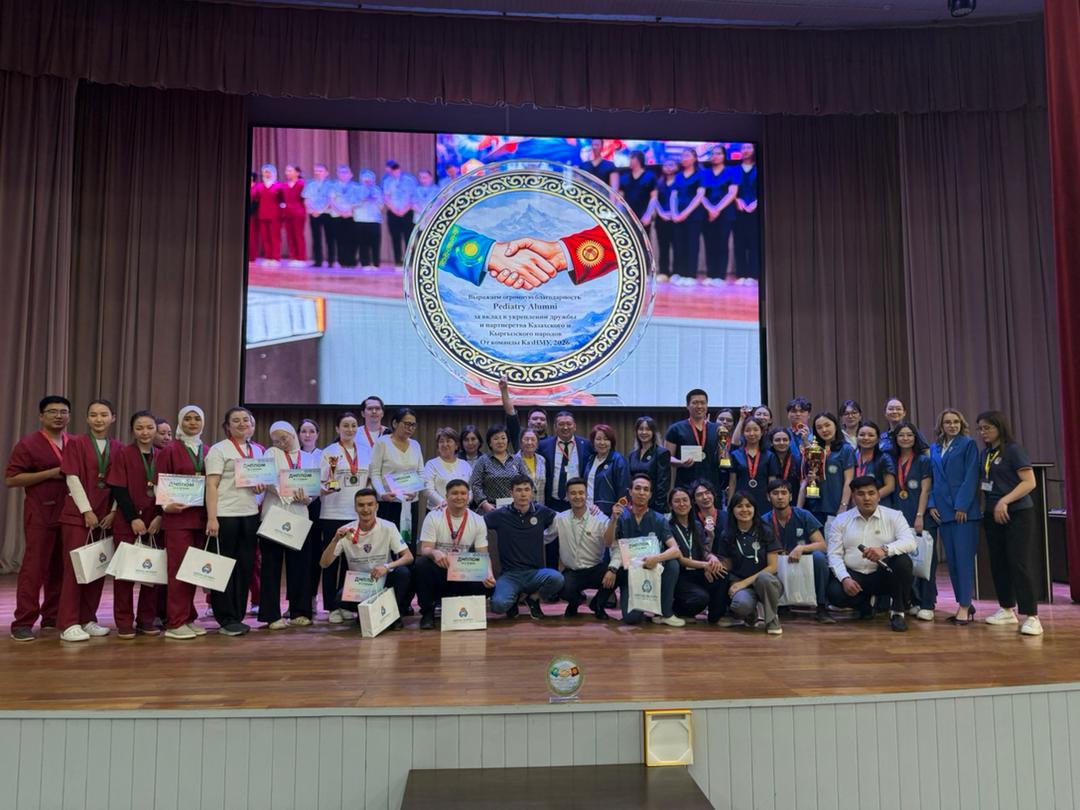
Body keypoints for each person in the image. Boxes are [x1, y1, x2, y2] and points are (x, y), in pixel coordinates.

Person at [5, 395, 71, 641]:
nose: (58, 416)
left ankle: (51, 617)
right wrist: (50, 473)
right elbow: (11, 479)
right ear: (41, 416)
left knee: (60, 568)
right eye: (52, 412)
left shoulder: (74, 443)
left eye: (63, 412)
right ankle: (22, 622)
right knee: (34, 570)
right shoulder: (28, 444)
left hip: (68, 514)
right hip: (41, 514)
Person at [57, 399, 121, 642]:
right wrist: (86, 511)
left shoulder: (118, 448)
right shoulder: (75, 443)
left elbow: (121, 484)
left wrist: (113, 511)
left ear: (113, 418)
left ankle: (87, 618)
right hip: (78, 516)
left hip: (105, 517)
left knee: (96, 567)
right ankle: (68, 623)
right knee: (75, 569)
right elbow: (72, 479)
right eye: (93, 414)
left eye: (104, 414)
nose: (98, 419)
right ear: (86, 418)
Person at [975, 411, 1041, 636]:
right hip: (992, 514)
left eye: (987, 428)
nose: (983, 432)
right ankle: (1006, 608)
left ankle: (1031, 616)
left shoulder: (1013, 450)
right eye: (980, 428)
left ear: (999, 427)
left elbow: (1029, 482)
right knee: (998, 562)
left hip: (1017, 513)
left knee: (1018, 562)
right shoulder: (986, 453)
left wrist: (1005, 501)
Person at [826, 475, 916, 632]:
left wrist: (884, 550)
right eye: (861, 494)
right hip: (855, 576)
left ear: (879, 495)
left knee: (903, 562)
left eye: (871, 493)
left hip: (883, 574)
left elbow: (910, 542)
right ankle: (864, 605)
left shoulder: (894, 516)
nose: (866, 498)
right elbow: (834, 555)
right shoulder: (840, 520)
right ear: (853, 497)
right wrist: (845, 578)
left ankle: (897, 612)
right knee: (834, 593)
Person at [204, 407, 265, 637]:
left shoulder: (257, 451)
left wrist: (259, 487)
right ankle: (225, 618)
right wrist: (212, 517)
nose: (242, 424)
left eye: (245, 420)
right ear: (227, 426)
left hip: (250, 515)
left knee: (245, 567)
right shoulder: (219, 450)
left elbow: (261, 483)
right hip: (225, 515)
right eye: (236, 420)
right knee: (223, 568)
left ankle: (237, 616)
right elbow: (211, 485)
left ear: (252, 424)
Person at [105, 410, 163, 638]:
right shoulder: (123, 453)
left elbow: (168, 489)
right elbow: (118, 488)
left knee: (151, 573)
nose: (145, 432)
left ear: (156, 429)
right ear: (132, 430)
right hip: (128, 522)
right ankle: (124, 621)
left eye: (149, 427)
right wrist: (132, 518)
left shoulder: (163, 455)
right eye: (139, 428)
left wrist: (160, 516)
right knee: (125, 574)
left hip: (155, 522)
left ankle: (146, 619)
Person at [319, 488, 413, 628]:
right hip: (361, 584)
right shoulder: (346, 531)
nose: (366, 509)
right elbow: (324, 563)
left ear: (377, 506)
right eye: (361, 505)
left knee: (403, 573)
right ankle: (365, 613)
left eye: (370, 504)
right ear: (355, 508)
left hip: (384, 580)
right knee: (340, 598)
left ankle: (393, 615)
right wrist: (334, 540)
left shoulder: (388, 527)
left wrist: (386, 567)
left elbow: (408, 557)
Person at [156, 404, 209, 640]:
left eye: (197, 418)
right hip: (177, 519)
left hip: (201, 519)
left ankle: (188, 617)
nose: (192, 423)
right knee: (177, 571)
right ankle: (175, 622)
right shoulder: (170, 450)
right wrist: (165, 506)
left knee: (193, 571)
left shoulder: (207, 450)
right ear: (180, 422)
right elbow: (159, 482)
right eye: (187, 419)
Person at [604, 474, 684, 626]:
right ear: (630, 492)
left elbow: (675, 550)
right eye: (638, 488)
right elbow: (607, 542)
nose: (641, 493)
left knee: (672, 564)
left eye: (646, 489)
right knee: (631, 619)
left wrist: (656, 558)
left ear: (650, 494)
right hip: (630, 573)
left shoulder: (659, 519)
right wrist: (613, 519)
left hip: (652, 568)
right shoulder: (620, 516)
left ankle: (665, 613)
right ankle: (638, 604)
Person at [257, 421, 315, 630]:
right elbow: (268, 479)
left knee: (300, 566)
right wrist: (289, 494)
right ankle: (271, 615)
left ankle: (300, 611)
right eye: (276, 440)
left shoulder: (308, 457)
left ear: (293, 434)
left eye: (284, 438)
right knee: (271, 567)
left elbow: (313, 485)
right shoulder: (271, 453)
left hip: (300, 514)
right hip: (274, 514)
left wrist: (308, 497)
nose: (281, 443)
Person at [414, 479, 493, 629]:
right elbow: (425, 548)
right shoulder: (433, 516)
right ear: (446, 496)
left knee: (488, 582)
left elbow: (483, 554)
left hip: (462, 570)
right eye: (454, 493)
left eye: (463, 493)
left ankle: (467, 609)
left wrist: (489, 574)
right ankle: (428, 613)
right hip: (441, 569)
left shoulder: (478, 520)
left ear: (468, 496)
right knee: (421, 564)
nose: (459, 497)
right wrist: (435, 552)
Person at [928, 408, 981, 625]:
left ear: (961, 424)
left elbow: (971, 477)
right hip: (943, 512)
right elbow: (932, 478)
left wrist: (962, 506)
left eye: (956, 422)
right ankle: (964, 602)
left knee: (963, 561)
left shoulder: (968, 444)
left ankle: (964, 606)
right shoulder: (934, 447)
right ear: (941, 426)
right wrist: (931, 503)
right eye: (948, 422)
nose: (952, 426)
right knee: (952, 562)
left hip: (963, 513)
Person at [485, 475, 563, 619]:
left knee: (558, 579)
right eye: (519, 490)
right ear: (511, 493)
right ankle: (513, 599)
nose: (523, 494)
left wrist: (590, 509)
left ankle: (533, 599)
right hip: (510, 575)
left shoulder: (541, 511)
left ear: (532, 492)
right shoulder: (500, 514)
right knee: (498, 605)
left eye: (527, 490)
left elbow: (564, 518)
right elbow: (476, 522)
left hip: (535, 573)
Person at [317, 412, 367, 623]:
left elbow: (369, 479)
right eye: (345, 425)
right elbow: (321, 481)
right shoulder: (330, 452)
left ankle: (345, 603)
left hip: (356, 514)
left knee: (350, 562)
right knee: (332, 562)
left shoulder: (365, 451)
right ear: (337, 428)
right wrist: (328, 487)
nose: (350, 429)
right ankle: (331, 606)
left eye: (354, 425)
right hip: (333, 513)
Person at [762, 479, 834, 623]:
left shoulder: (804, 515)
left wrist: (802, 548)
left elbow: (822, 545)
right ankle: (780, 605)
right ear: (768, 497)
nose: (780, 497)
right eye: (775, 493)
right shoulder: (763, 521)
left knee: (819, 557)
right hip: (777, 564)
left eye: (784, 493)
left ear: (790, 496)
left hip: (802, 562)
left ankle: (821, 607)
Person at [886, 421, 935, 621]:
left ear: (915, 438)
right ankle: (912, 600)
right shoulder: (892, 459)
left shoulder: (923, 460)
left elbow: (925, 490)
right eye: (901, 435)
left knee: (925, 560)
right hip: (898, 516)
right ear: (895, 439)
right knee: (905, 562)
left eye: (909, 435)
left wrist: (920, 515)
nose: (905, 438)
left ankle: (927, 603)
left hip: (918, 515)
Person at [715, 492, 784, 633]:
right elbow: (728, 566)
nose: (744, 510)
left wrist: (744, 582)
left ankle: (772, 619)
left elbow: (772, 567)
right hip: (741, 584)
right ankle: (751, 614)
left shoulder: (765, 531)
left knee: (764, 578)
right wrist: (714, 564)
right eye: (739, 506)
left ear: (754, 509)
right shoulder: (727, 534)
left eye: (748, 506)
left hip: (768, 584)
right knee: (740, 605)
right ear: (732, 510)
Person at [551, 478, 613, 620]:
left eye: (581, 493)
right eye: (573, 493)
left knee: (618, 573)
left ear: (586, 494)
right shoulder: (560, 519)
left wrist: (612, 569)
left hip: (595, 569)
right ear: (567, 496)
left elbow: (612, 543)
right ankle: (575, 600)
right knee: (559, 586)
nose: (578, 496)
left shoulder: (600, 518)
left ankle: (598, 604)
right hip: (572, 571)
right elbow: (546, 537)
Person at [669, 486, 729, 624]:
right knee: (700, 598)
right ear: (671, 505)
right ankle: (677, 610)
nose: (682, 504)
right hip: (680, 575)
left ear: (691, 503)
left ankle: (716, 617)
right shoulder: (668, 527)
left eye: (685, 500)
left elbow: (704, 550)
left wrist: (712, 558)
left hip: (698, 571)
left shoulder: (696, 525)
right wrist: (705, 565)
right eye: (677, 501)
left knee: (721, 572)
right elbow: (680, 559)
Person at [369, 408, 425, 549]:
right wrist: (382, 493)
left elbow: (421, 473)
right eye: (406, 424)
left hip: (410, 502)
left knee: (408, 545)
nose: (410, 428)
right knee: (388, 546)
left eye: (413, 425)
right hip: (389, 502)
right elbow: (374, 473)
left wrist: (416, 491)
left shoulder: (415, 445)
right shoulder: (382, 443)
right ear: (395, 423)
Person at [798, 411, 854, 532]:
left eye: (827, 425)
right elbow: (806, 478)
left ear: (835, 425)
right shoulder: (814, 450)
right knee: (818, 542)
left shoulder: (846, 449)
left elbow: (849, 481)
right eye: (819, 427)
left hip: (837, 506)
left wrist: (843, 506)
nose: (824, 430)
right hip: (815, 506)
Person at [665, 388, 720, 492]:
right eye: (695, 403)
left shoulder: (717, 429)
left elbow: (723, 455)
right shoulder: (676, 429)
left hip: (712, 487)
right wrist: (680, 462)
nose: (699, 406)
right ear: (687, 406)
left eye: (702, 403)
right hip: (686, 486)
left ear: (707, 405)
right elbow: (666, 457)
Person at [538, 410, 591, 515]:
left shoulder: (586, 445)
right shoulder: (543, 445)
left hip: (577, 501)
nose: (565, 427)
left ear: (574, 426)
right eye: (561, 424)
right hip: (551, 502)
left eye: (569, 424)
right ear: (555, 427)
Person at [700, 145, 739, 285]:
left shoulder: (731, 171)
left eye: (718, 153)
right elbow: (701, 194)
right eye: (713, 154)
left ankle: (720, 276)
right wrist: (710, 209)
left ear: (724, 156)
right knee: (709, 243)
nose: (715, 156)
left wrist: (717, 209)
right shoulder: (705, 173)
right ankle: (710, 275)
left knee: (722, 243)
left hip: (725, 213)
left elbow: (732, 192)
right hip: (707, 213)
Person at [470, 423, 528, 513]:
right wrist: (484, 504)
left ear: (507, 440)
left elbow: (526, 482)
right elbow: (475, 485)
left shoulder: (517, 460)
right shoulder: (483, 460)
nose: (500, 441)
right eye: (496, 438)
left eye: (503, 438)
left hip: (515, 508)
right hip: (490, 508)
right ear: (490, 443)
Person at [670, 148, 706, 282]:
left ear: (695, 158)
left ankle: (690, 275)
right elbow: (674, 195)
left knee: (692, 244)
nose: (684, 158)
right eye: (682, 156)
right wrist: (674, 212)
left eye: (687, 156)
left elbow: (699, 195)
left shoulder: (700, 174)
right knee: (679, 244)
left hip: (694, 215)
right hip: (678, 216)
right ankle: (679, 272)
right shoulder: (678, 176)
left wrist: (685, 213)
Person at [726, 417, 773, 513]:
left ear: (762, 432)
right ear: (743, 433)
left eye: (755, 430)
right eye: (748, 430)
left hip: (763, 501)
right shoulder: (735, 455)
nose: (752, 433)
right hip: (741, 500)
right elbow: (732, 482)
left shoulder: (769, 456)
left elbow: (772, 482)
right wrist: (729, 504)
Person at [582, 424, 629, 516]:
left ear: (611, 442)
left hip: (607, 514)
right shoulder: (590, 459)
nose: (602, 442)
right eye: (598, 439)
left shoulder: (618, 460)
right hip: (587, 510)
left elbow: (623, 492)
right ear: (593, 442)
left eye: (606, 439)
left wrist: (617, 514)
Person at [423, 427, 475, 510]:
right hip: (438, 511)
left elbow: (472, 489)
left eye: (448, 441)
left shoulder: (465, 465)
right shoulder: (431, 464)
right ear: (438, 446)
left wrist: (463, 503)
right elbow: (427, 489)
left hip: (462, 510)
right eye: (441, 441)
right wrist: (446, 504)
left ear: (456, 445)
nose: (445, 444)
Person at [627, 416, 671, 513]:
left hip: (654, 506)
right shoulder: (632, 455)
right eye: (641, 429)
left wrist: (658, 508)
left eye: (647, 429)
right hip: (635, 505)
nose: (644, 432)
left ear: (653, 432)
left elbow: (663, 483)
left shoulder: (661, 453)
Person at [382, 160, 417, 268]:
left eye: (392, 170)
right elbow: (386, 197)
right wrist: (394, 210)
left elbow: (414, 196)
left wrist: (404, 209)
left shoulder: (409, 180)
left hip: (407, 212)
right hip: (393, 212)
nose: (391, 173)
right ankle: (398, 261)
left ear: (397, 169)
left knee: (408, 238)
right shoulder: (387, 181)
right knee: (395, 238)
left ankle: (410, 261)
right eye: (389, 171)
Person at [732, 143, 758, 284]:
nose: (746, 151)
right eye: (743, 148)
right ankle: (741, 274)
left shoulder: (759, 166)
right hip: (738, 210)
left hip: (755, 210)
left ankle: (753, 275)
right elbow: (732, 189)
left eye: (749, 148)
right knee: (739, 242)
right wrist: (737, 200)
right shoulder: (735, 169)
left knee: (754, 242)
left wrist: (756, 203)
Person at [852, 421, 897, 505]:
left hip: (879, 504)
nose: (866, 438)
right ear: (856, 437)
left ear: (877, 439)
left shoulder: (884, 458)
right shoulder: (852, 456)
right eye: (862, 435)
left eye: (871, 435)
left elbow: (890, 486)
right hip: (855, 505)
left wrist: (870, 498)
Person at [302, 162, 335, 268]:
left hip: (326, 213)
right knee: (316, 238)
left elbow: (330, 200)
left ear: (326, 173)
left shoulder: (331, 185)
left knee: (329, 238)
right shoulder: (310, 184)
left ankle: (331, 261)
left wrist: (320, 210)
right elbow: (306, 199)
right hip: (313, 213)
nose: (318, 173)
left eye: (320, 171)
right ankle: (318, 261)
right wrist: (313, 210)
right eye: (316, 171)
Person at [651, 158, 678, 282]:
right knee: (663, 246)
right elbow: (654, 199)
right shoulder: (659, 182)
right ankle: (664, 272)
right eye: (666, 165)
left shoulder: (679, 181)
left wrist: (673, 213)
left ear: (676, 167)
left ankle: (676, 272)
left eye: (671, 165)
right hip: (661, 219)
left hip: (676, 218)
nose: (668, 167)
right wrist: (661, 213)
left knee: (677, 246)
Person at [329, 164, 359, 269]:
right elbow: (331, 201)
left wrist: (349, 210)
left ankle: (351, 261)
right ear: (337, 174)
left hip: (352, 215)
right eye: (341, 172)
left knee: (352, 239)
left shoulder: (356, 186)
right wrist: (341, 211)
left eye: (346, 172)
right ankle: (341, 261)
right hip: (337, 215)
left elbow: (358, 201)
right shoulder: (333, 186)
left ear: (351, 174)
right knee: (339, 239)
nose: (343, 175)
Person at [252, 163, 284, 264]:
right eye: (265, 172)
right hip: (262, 214)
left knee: (274, 237)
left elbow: (283, 201)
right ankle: (268, 257)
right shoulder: (259, 186)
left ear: (274, 173)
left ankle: (275, 257)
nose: (267, 174)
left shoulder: (279, 186)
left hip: (275, 215)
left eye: (269, 172)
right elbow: (253, 197)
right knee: (265, 237)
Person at [353, 170, 384, 272]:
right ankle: (365, 263)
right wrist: (364, 199)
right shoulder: (357, 189)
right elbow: (353, 203)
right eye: (365, 179)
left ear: (373, 180)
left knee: (375, 243)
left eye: (369, 179)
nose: (367, 181)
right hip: (360, 219)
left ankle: (375, 263)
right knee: (363, 243)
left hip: (374, 220)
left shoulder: (377, 190)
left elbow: (381, 206)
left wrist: (375, 199)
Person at [619, 150, 657, 225]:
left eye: (631, 158)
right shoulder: (624, 177)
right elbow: (620, 198)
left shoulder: (649, 176)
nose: (629, 161)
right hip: (627, 216)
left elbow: (654, 197)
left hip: (643, 215)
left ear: (638, 159)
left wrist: (648, 214)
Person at [280, 164, 307, 266]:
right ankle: (293, 257)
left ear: (297, 173)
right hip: (287, 213)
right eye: (286, 171)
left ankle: (301, 258)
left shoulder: (302, 184)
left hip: (298, 213)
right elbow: (281, 199)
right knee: (290, 236)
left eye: (290, 171)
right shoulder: (284, 185)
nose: (287, 173)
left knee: (298, 235)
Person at [766, 426, 802, 499]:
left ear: (790, 442)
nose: (782, 443)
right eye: (777, 440)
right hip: (771, 501)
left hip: (793, 500)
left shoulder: (797, 460)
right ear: (771, 443)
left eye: (785, 440)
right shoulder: (766, 460)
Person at [515, 428, 546, 505]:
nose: (529, 442)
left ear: (537, 443)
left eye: (533, 439)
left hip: (540, 505)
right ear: (520, 442)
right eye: (526, 439)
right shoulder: (513, 461)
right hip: (521, 505)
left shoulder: (542, 460)